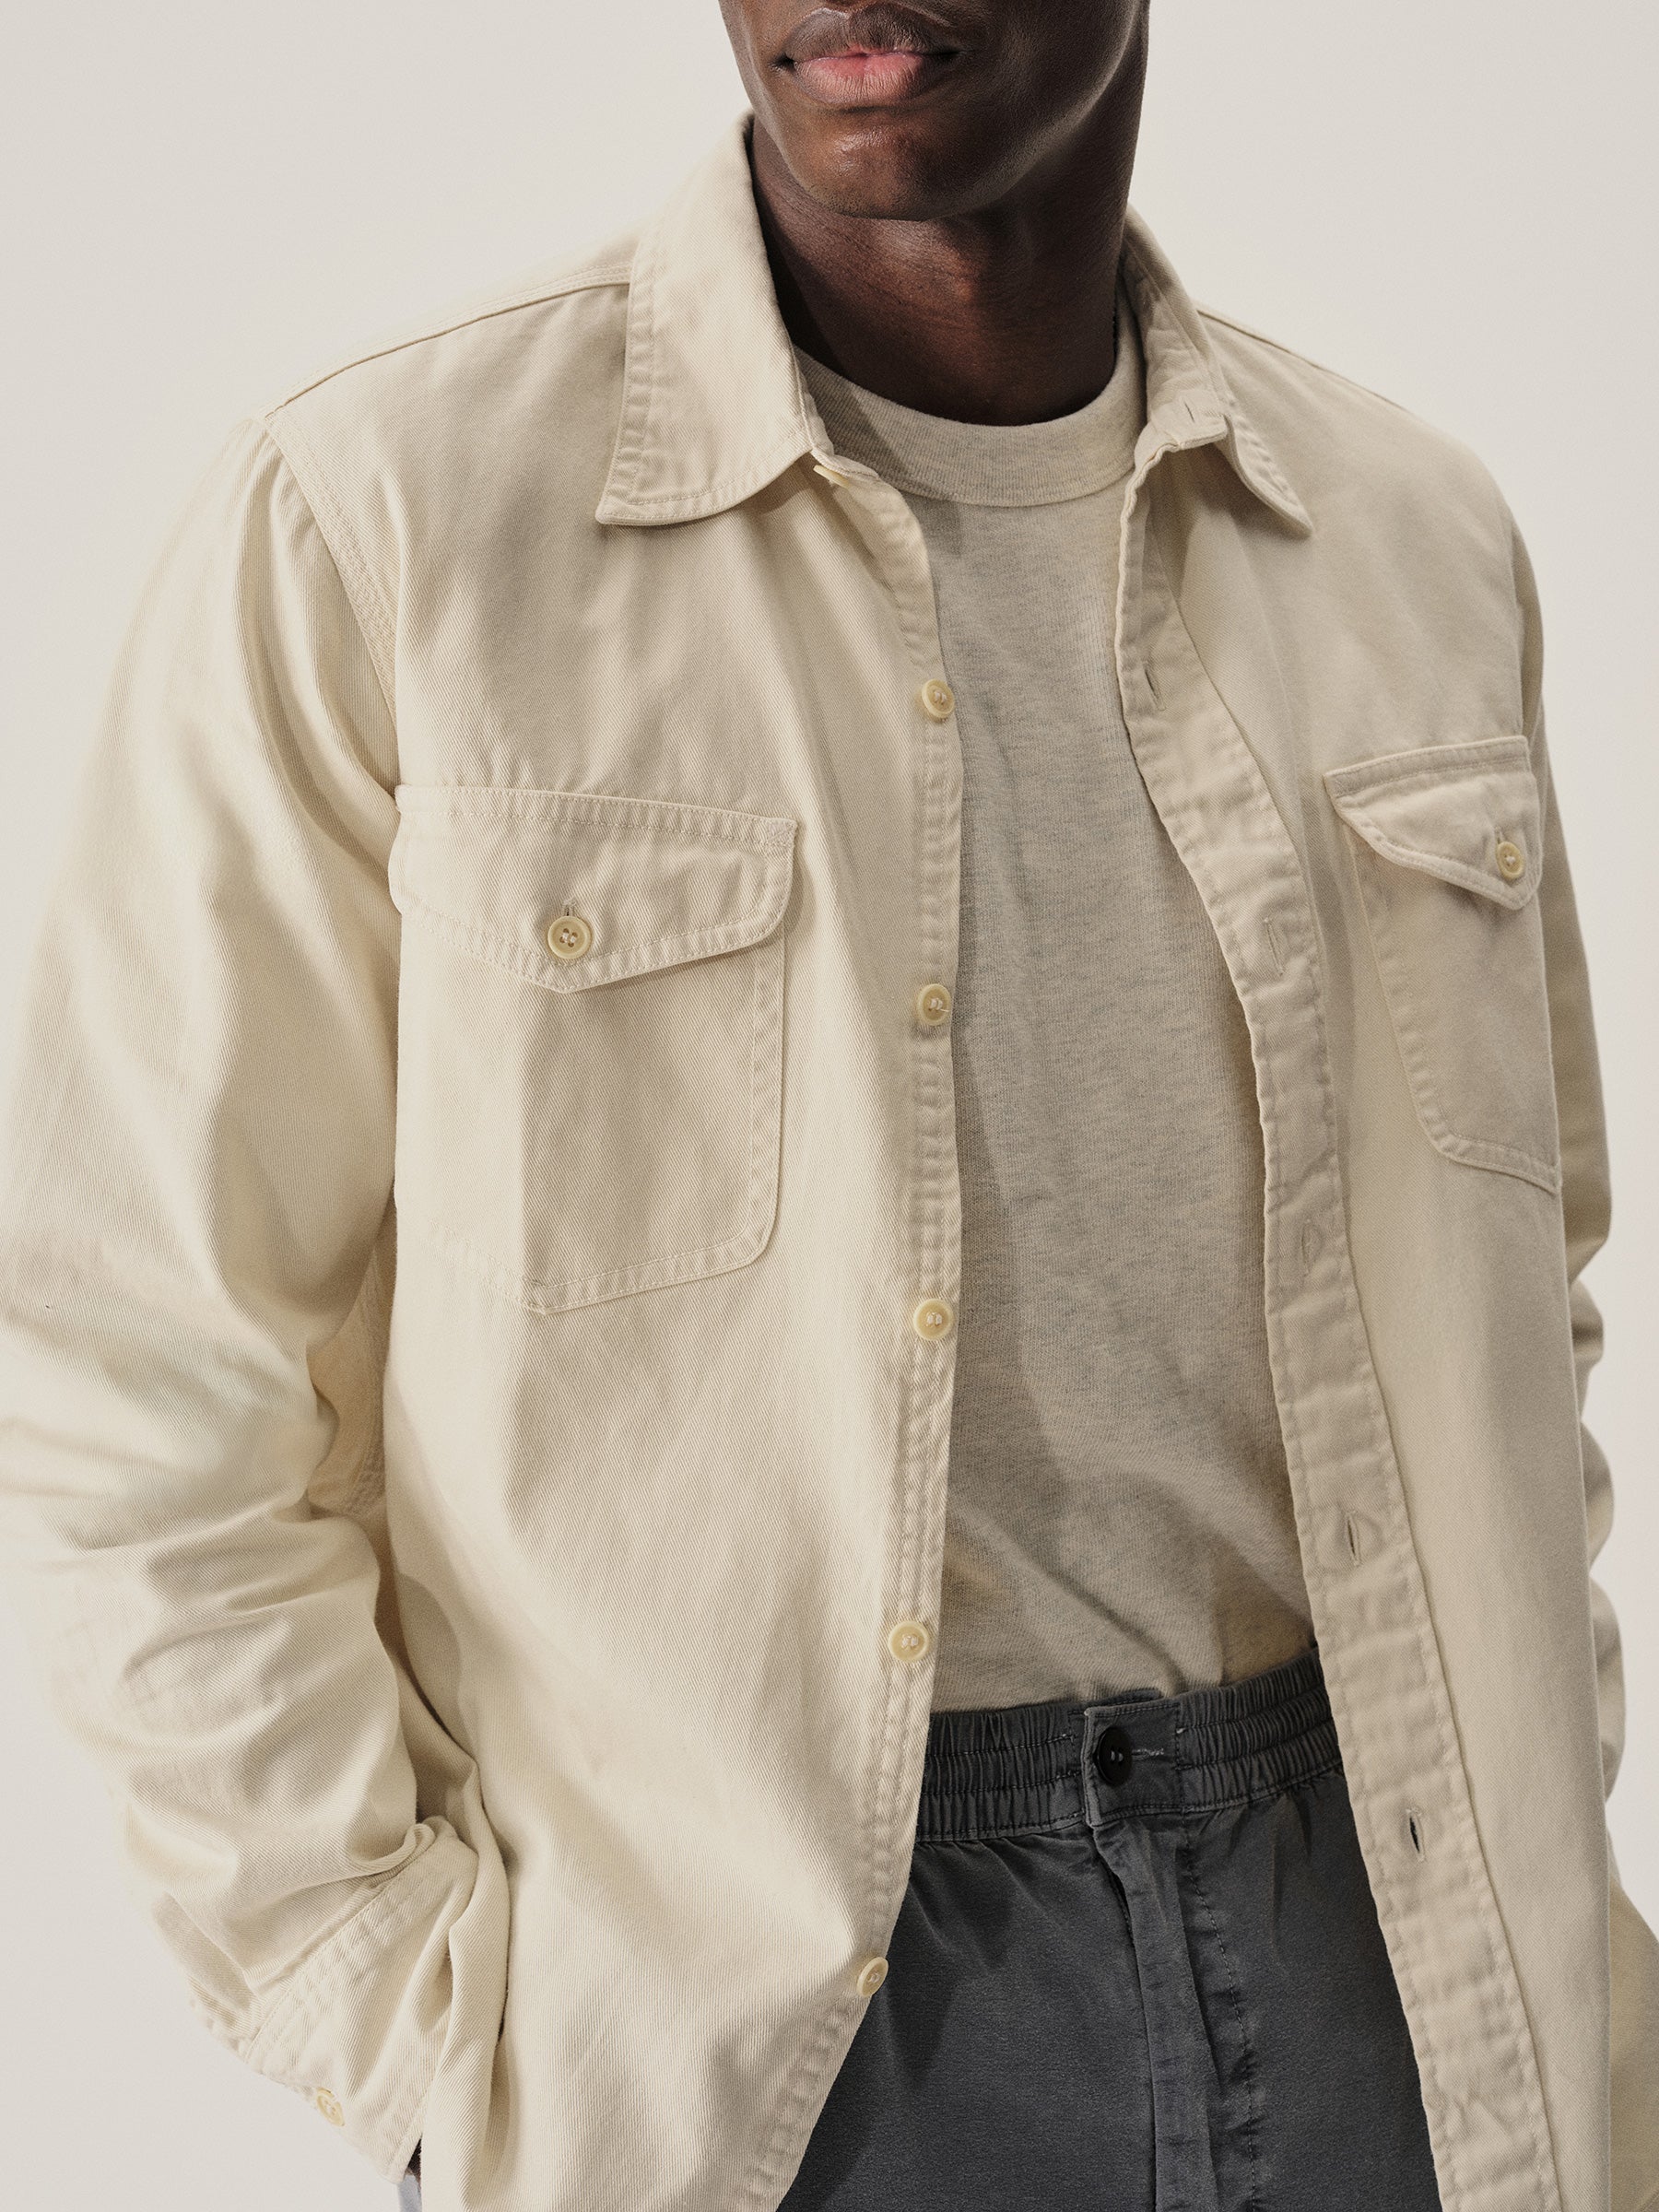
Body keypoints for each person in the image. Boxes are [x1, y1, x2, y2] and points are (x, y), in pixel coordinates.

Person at [0, 2, 1653, 2207]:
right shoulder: (392, 522)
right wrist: (399, 2015)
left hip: (1395, 1968)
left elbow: (1524, 1294)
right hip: (751, 2050)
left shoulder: (1409, 543)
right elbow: (134, 1365)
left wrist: (1531, 1786)